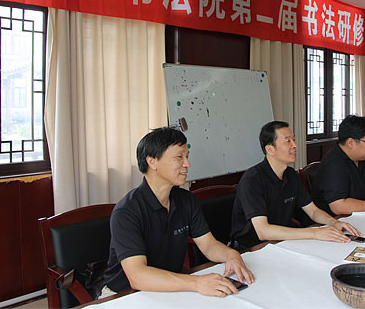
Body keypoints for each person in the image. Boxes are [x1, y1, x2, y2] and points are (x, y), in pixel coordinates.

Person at [103, 127, 254, 297]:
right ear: (152, 162)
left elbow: (208, 245)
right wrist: (197, 282)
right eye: (179, 157)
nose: (187, 164)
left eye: (187, 157)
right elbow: (138, 277)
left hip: (171, 286)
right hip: (124, 295)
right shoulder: (127, 211)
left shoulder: (186, 200)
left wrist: (231, 254)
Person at [229, 121, 361, 250]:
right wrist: (314, 233)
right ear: (270, 149)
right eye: (288, 141)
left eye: (294, 140)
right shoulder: (252, 180)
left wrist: (334, 223)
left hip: (281, 242)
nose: (295, 145)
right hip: (251, 249)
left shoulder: (290, 175)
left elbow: (313, 211)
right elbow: (263, 231)